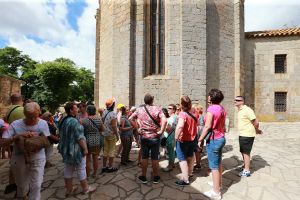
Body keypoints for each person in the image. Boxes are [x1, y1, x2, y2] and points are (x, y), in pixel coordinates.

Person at [2, 102, 50, 200]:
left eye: (35, 117)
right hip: (19, 159)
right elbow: (3, 142)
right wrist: (17, 136)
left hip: (38, 157)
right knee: (22, 186)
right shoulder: (15, 124)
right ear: (24, 114)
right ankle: (23, 195)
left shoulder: (43, 123)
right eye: (29, 117)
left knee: (36, 185)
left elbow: (46, 140)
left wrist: (37, 140)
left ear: (39, 113)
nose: (32, 120)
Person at [58, 102, 96, 197]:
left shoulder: (63, 120)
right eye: (75, 108)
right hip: (76, 150)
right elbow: (80, 137)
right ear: (71, 110)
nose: (77, 110)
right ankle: (86, 188)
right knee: (81, 168)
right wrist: (85, 148)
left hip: (66, 149)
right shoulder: (74, 121)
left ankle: (69, 190)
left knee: (68, 169)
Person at [129, 93, 167, 184]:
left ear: (144, 100)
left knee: (144, 157)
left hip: (144, 137)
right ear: (152, 100)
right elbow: (165, 120)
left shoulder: (139, 109)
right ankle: (156, 177)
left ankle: (143, 176)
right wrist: (161, 131)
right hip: (155, 137)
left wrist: (137, 128)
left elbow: (130, 118)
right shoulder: (157, 109)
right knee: (155, 158)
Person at [198, 89, 226, 200]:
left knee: (214, 166)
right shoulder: (221, 108)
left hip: (214, 139)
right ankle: (218, 184)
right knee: (218, 162)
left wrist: (200, 139)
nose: (208, 97)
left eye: (209, 95)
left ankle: (216, 192)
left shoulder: (211, 109)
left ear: (211, 97)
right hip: (221, 137)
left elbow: (207, 126)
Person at [234, 96, 262, 177]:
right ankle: (245, 166)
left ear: (242, 101)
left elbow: (256, 122)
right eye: (235, 100)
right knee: (242, 151)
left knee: (246, 152)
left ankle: (247, 171)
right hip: (242, 134)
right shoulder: (240, 110)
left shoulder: (247, 110)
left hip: (247, 134)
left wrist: (257, 130)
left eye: (238, 100)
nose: (235, 101)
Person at [174, 96, 199, 186]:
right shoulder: (195, 111)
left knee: (182, 159)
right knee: (190, 155)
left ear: (181, 104)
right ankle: (190, 173)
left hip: (183, 139)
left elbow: (180, 126)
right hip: (193, 138)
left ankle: (185, 180)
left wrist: (176, 137)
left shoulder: (182, 114)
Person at [4, 93, 25, 194]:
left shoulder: (8, 110)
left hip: (12, 140)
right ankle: (20, 188)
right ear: (22, 99)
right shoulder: (21, 110)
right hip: (22, 140)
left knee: (14, 162)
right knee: (23, 165)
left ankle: (11, 183)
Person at [81, 105, 105, 177]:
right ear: (94, 111)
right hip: (97, 140)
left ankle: (87, 175)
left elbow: (81, 131)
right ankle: (94, 174)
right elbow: (102, 129)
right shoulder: (99, 119)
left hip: (87, 140)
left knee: (88, 159)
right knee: (95, 158)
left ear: (87, 111)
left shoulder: (83, 120)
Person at [101, 98, 119, 173]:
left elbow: (102, 122)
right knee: (112, 151)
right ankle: (110, 167)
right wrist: (117, 135)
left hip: (105, 134)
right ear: (113, 105)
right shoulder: (113, 114)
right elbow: (114, 126)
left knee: (105, 151)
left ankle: (104, 166)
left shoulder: (104, 112)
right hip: (111, 134)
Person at [162, 104, 177, 172]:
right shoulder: (174, 117)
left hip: (169, 136)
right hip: (171, 136)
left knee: (170, 151)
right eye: (168, 108)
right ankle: (172, 164)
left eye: (170, 108)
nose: (168, 109)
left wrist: (163, 129)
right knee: (171, 151)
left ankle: (170, 165)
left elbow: (169, 128)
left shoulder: (173, 118)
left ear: (174, 110)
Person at [193, 104, 204, 170]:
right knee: (197, 150)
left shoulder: (199, 116)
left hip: (198, 134)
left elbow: (200, 126)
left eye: (194, 109)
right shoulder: (200, 116)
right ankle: (197, 163)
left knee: (197, 150)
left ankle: (197, 164)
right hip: (199, 133)